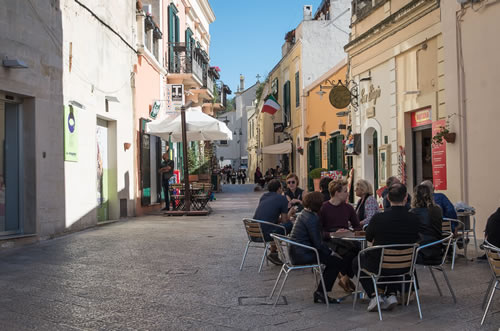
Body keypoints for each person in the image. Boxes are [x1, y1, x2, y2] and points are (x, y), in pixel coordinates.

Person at [353, 183, 420, 312]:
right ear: (406, 198)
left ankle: (374, 295)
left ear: (388, 198)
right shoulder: (414, 219)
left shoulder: (379, 218)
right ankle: (390, 294)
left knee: (357, 262)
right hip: (406, 265)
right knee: (392, 256)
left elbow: (368, 237)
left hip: (381, 264)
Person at [289, 192, 343, 304]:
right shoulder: (312, 218)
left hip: (297, 251)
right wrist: (331, 252)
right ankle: (321, 292)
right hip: (303, 254)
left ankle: (321, 291)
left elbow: (315, 237)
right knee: (336, 261)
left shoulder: (304, 213)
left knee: (333, 258)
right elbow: (318, 244)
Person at [319, 179, 361, 292]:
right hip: (330, 240)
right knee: (350, 253)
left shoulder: (348, 208)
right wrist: (332, 234)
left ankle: (344, 278)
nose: (348, 193)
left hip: (346, 239)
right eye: (345, 191)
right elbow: (318, 231)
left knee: (358, 250)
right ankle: (344, 278)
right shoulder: (323, 208)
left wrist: (350, 232)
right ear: (337, 193)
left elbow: (357, 226)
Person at [253, 179, 296, 265]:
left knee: (278, 226)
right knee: (290, 225)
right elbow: (284, 221)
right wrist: (291, 213)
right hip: (266, 234)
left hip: (254, 233)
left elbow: (270, 217)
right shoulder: (282, 198)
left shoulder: (264, 196)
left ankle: (274, 252)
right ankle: (295, 254)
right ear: (279, 189)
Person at [410, 184, 443, 264]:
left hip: (421, 254)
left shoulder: (413, 213)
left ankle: (410, 276)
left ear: (415, 197)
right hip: (438, 253)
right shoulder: (438, 209)